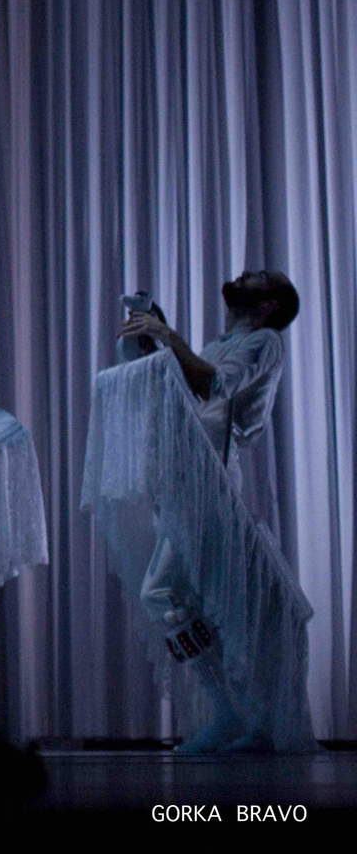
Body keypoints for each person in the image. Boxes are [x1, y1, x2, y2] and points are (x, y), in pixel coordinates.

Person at [115, 269, 300, 752]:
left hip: (210, 480)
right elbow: (183, 384)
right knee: (194, 598)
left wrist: (164, 334)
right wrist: (155, 333)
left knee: (162, 592)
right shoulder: (225, 341)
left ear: (270, 306)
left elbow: (213, 387)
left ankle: (229, 711)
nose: (243, 276)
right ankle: (249, 718)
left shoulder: (265, 342)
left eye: (257, 278)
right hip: (187, 476)